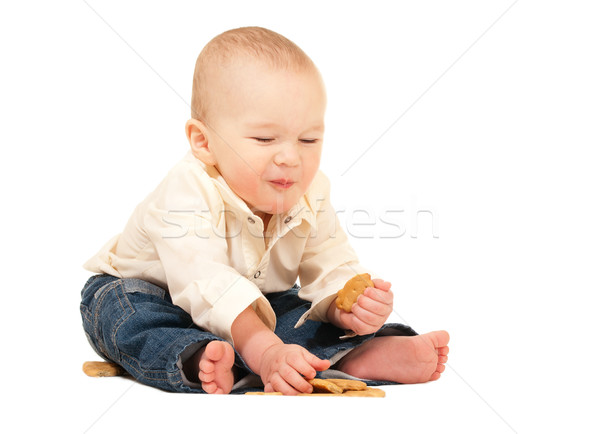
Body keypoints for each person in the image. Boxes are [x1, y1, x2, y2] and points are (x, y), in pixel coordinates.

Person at [80, 26, 450, 395]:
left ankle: (356, 354)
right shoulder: (186, 189)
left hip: (252, 305)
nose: (291, 157)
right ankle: (196, 360)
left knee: (293, 309)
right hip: (148, 293)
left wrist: (347, 308)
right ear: (203, 142)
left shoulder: (311, 190)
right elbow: (206, 281)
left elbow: (330, 262)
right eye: (264, 139)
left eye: (309, 139)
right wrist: (266, 348)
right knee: (129, 319)